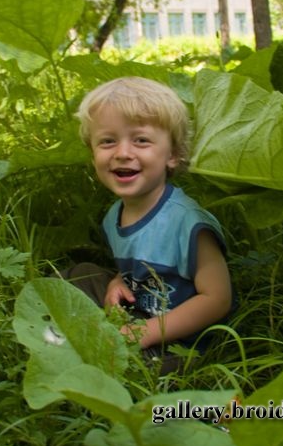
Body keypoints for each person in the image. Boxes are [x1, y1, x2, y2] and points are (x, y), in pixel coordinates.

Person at [66, 76, 232, 374]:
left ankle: (97, 353)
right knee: (79, 275)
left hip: (180, 341)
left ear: (173, 155)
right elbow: (141, 264)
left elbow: (217, 300)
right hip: (140, 313)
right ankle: (90, 342)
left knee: (138, 370)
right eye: (107, 141)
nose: (122, 153)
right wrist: (119, 281)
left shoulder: (188, 223)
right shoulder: (114, 215)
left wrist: (147, 333)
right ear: (93, 154)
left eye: (141, 140)